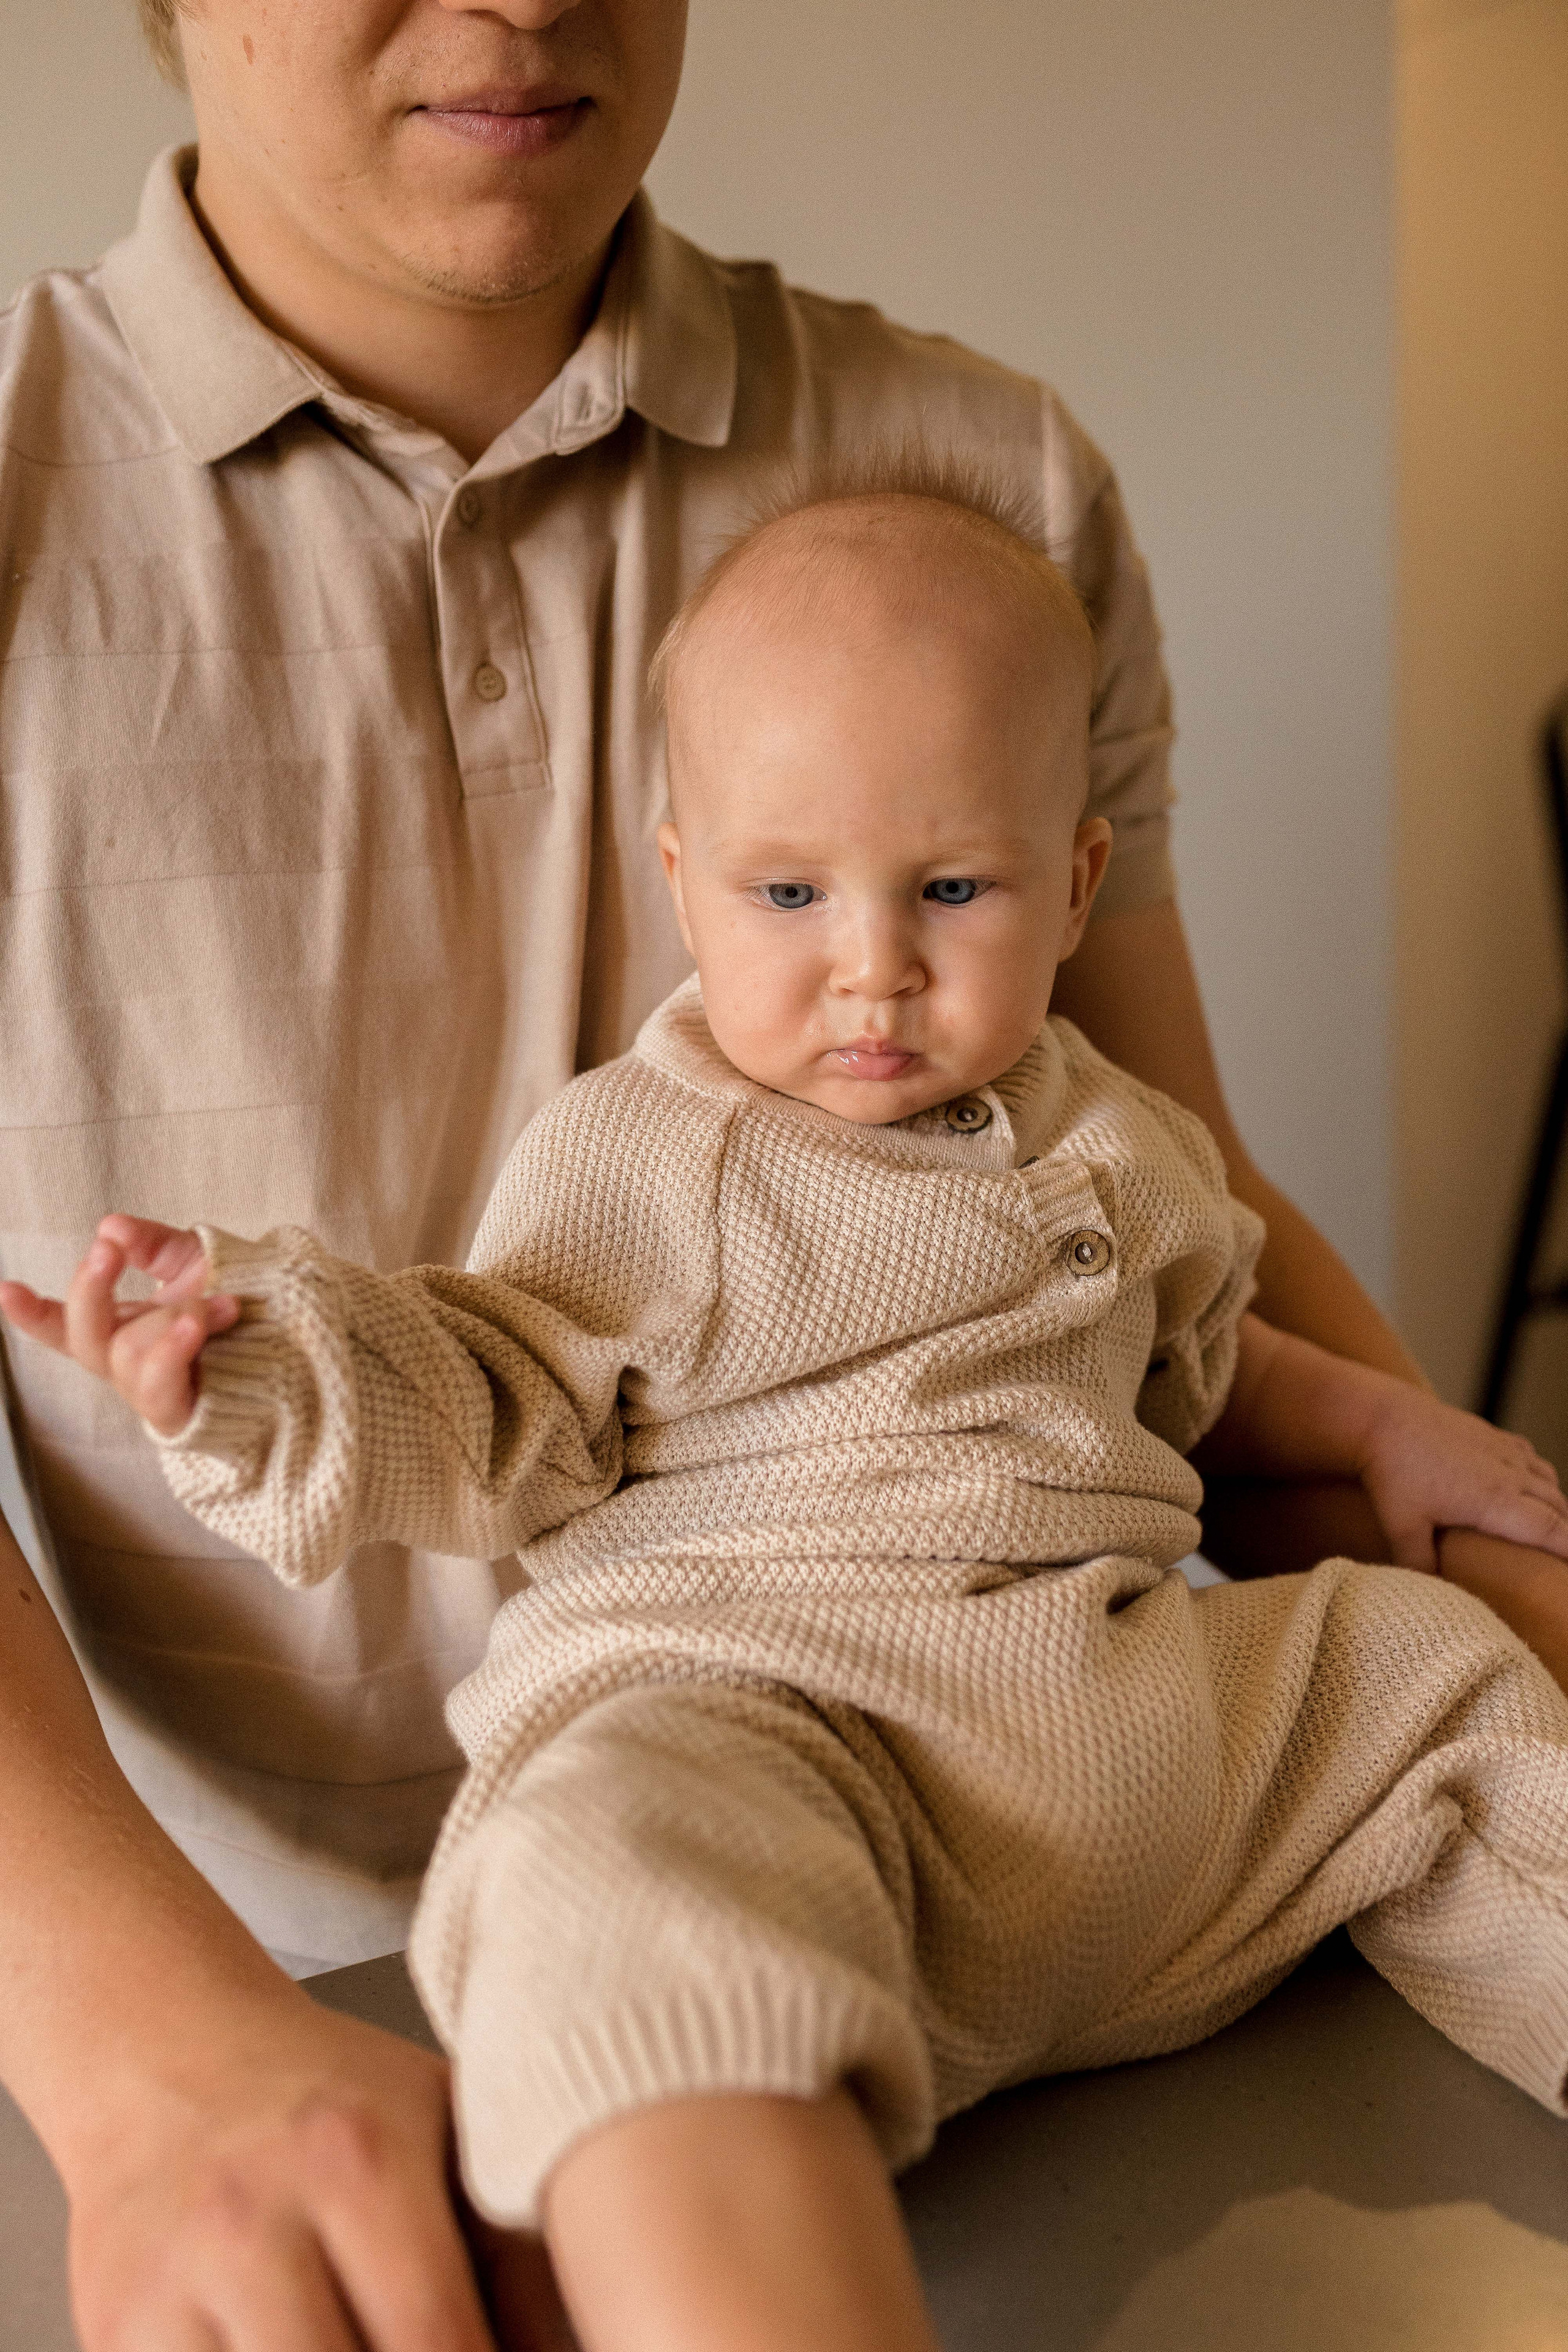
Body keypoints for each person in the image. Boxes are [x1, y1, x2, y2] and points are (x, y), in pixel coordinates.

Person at [1, 3, 1562, 2346]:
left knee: (1436, 1690)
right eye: (792, 899)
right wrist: (244, 1369)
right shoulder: (660, 1161)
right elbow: (488, 1372)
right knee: (626, 1899)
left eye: (950, 895)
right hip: (598, 1802)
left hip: (1127, 1703)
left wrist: (1435, 1492)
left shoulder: (992, 485)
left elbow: (1211, 1288)